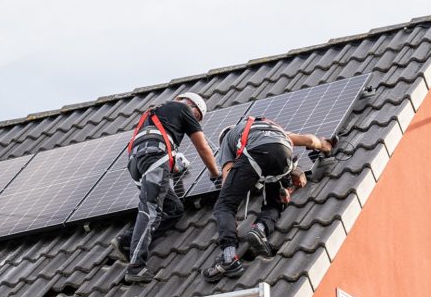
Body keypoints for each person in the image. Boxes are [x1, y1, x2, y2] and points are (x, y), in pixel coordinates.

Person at [202, 116, 333, 282]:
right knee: (274, 203)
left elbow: (228, 173)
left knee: (224, 206)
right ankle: (260, 228)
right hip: (283, 155)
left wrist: (230, 197)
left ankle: (229, 257)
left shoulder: (228, 139)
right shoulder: (269, 128)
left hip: (255, 157)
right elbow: (310, 140)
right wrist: (325, 146)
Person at [111, 92, 221, 283]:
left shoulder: (153, 113)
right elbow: (203, 147)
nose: (195, 120)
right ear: (191, 105)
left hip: (137, 163)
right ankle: (136, 266)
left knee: (174, 209)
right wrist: (215, 174)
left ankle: (126, 241)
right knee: (151, 210)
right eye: (197, 117)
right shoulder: (183, 108)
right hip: (155, 158)